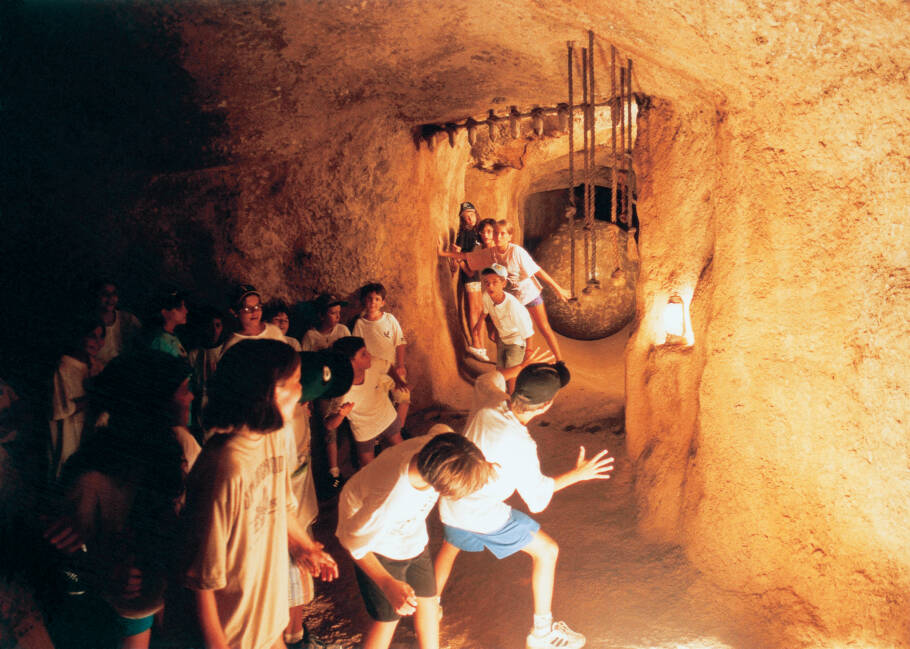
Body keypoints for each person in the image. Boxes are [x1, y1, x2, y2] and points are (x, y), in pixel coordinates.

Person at [435, 361, 614, 649]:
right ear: (545, 406)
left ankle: (430, 606)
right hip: (481, 512)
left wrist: (520, 366)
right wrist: (578, 475)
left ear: (517, 388)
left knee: (450, 546)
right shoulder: (520, 444)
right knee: (547, 551)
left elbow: (486, 379)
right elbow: (538, 501)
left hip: (451, 498)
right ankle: (542, 633)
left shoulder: (490, 403)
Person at [182, 340, 337, 649]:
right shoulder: (225, 466)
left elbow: (278, 506)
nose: (301, 391)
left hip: (268, 624)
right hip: (233, 635)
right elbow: (200, 581)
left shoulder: (273, 435)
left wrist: (304, 546)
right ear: (270, 393)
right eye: (294, 382)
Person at [43, 351, 196, 649]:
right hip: (118, 616)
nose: (190, 397)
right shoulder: (92, 480)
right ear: (154, 403)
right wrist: (102, 571)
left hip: (172, 600)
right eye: (183, 389)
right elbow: (67, 572)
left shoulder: (182, 446)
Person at [336, 429, 495, 649]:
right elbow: (351, 541)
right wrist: (387, 583)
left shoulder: (436, 448)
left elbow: (442, 428)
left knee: (428, 599)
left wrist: (478, 467)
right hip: (378, 545)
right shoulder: (391, 499)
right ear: (440, 486)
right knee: (388, 618)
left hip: (411, 535)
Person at [439, 220, 570, 362]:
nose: (498, 237)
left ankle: (560, 361)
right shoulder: (491, 253)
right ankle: (518, 361)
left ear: (509, 236)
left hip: (529, 294)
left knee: (544, 328)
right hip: (513, 300)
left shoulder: (516, 252)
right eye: (496, 233)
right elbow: (467, 256)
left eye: (502, 234)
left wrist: (558, 288)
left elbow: (538, 271)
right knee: (501, 334)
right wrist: (443, 253)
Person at [325, 337, 407, 468]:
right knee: (368, 468)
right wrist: (341, 414)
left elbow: (388, 367)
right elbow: (329, 425)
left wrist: (397, 380)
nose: (369, 355)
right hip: (364, 429)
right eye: (363, 354)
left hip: (386, 417)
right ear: (350, 362)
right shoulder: (342, 391)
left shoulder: (374, 364)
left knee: (403, 454)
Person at [49, 317, 105, 479]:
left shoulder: (97, 366)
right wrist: (93, 396)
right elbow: (60, 409)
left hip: (88, 435)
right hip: (68, 435)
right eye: (92, 336)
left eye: (101, 337)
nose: (97, 342)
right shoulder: (63, 367)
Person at [476, 265, 535, 389]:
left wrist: (528, 354)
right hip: (503, 339)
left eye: (495, 282)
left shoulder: (513, 306)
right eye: (486, 282)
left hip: (517, 341)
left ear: (504, 283)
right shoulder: (486, 296)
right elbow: (486, 311)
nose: (490, 286)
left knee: (511, 376)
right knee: (500, 372)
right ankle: (502, 396)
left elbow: (528, 333)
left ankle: (512, 399)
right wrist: (479, 324)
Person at [350, 283, 409, 396]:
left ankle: (400, 408)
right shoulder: (360, 324)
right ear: (364, 300)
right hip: (372, 371)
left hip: (392, 370)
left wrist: (401, 365)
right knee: (378, 398)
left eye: (377, 299)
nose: (373, 302)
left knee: (403, 396)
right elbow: (357, 349)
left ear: (383, 302)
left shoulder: (390, 319)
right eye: (370, 298)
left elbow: (400, 343)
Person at [450, 203, 490, 362]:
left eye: (471, 215)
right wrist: (458, 263)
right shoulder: (465, 233)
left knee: (480, 310)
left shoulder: (479, 233)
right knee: (474, 310)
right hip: (470, 276)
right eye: (465, 217)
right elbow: (456, 253)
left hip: (479, 276)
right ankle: (476, 344)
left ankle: (481, 345)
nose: (469, 219)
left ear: (476, 214)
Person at [218, 284, 285, 358]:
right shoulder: (233, 344)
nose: (254, 311)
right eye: (247, 308)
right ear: (235, 312)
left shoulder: (274, 331)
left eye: (257, 306)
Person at [92, 280, 142, 368]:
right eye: (105, 294)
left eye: (114, 294)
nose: (111, 298)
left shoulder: (128, 319)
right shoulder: (90, 322)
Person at [145, 289, 189, 360]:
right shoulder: (159, 341)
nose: (186, 311)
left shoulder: (174, 336)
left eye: (184, 306)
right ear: (164, 312)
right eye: (179, 307)